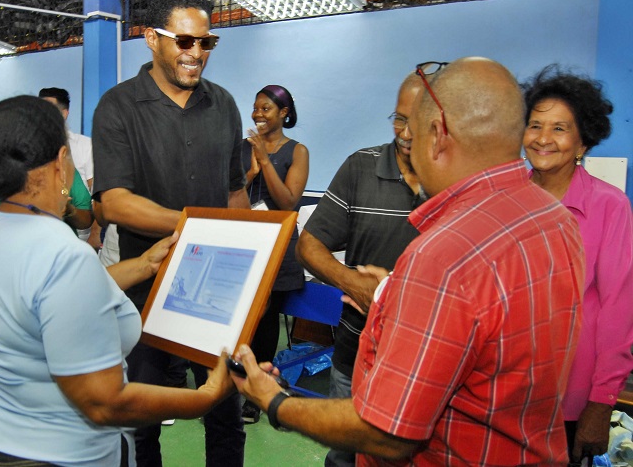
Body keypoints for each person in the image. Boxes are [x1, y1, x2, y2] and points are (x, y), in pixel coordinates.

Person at [232, 57, 586, 465]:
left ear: (437, 136)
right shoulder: (555, 219)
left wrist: (275, 401)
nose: (407, 147)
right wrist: (393, 292)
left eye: (413, 136)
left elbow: (388, 433)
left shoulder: (443, 256)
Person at [0, 95, 233, 466]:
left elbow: (54, 295)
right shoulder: (63, 254)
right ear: (61, 163)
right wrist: (207, 396)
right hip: (51, 455)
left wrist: (144, 264)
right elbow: (104, 401)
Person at [92, 0, 249, 466]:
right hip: (146, 286)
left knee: (225, 407)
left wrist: (249, 254)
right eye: (184, 42)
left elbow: (235, 192)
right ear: (150, 39)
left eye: (207, 43)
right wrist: (195, 225)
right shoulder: (117, 107)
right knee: (141, 413)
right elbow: (115, 203)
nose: (196, 53)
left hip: (215, 287)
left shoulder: (223, 105)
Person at [295, 71, 426, 466]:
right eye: (399, 118)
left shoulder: (453, 180)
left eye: (416, 121)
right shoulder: (361, 167)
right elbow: (310, 245)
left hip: (425, 362)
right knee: (345, 457)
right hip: (356, 354)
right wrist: (353, 283)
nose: (404, 132)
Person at [521, 65, 633, 463]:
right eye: (535, 126)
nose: (543, 139)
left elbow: (618, 309)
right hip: (502, 392)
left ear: (583, 142)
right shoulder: (507, 198)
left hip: (570, 397)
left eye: (560, 128)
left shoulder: (609, 206)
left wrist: (601, 404)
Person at [241, 84, 308, 424]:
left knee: (266, 322)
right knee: (242, 319)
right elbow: (231, 193)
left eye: (266, 108)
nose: (258, 114)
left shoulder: (297, 151)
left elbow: (288, 202)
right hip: (245, 241)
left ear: (284, 113)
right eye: (255, 108)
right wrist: (250, 171)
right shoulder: (243, 148)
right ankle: (236, 384)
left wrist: (265, 161)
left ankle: (259, 395)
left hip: (278, 247)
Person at [38, 87, 99, 246]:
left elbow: (98, 195)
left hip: (80, 231)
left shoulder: (85, 146)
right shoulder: (30, 150)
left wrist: (95, 233)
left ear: (64, 114)